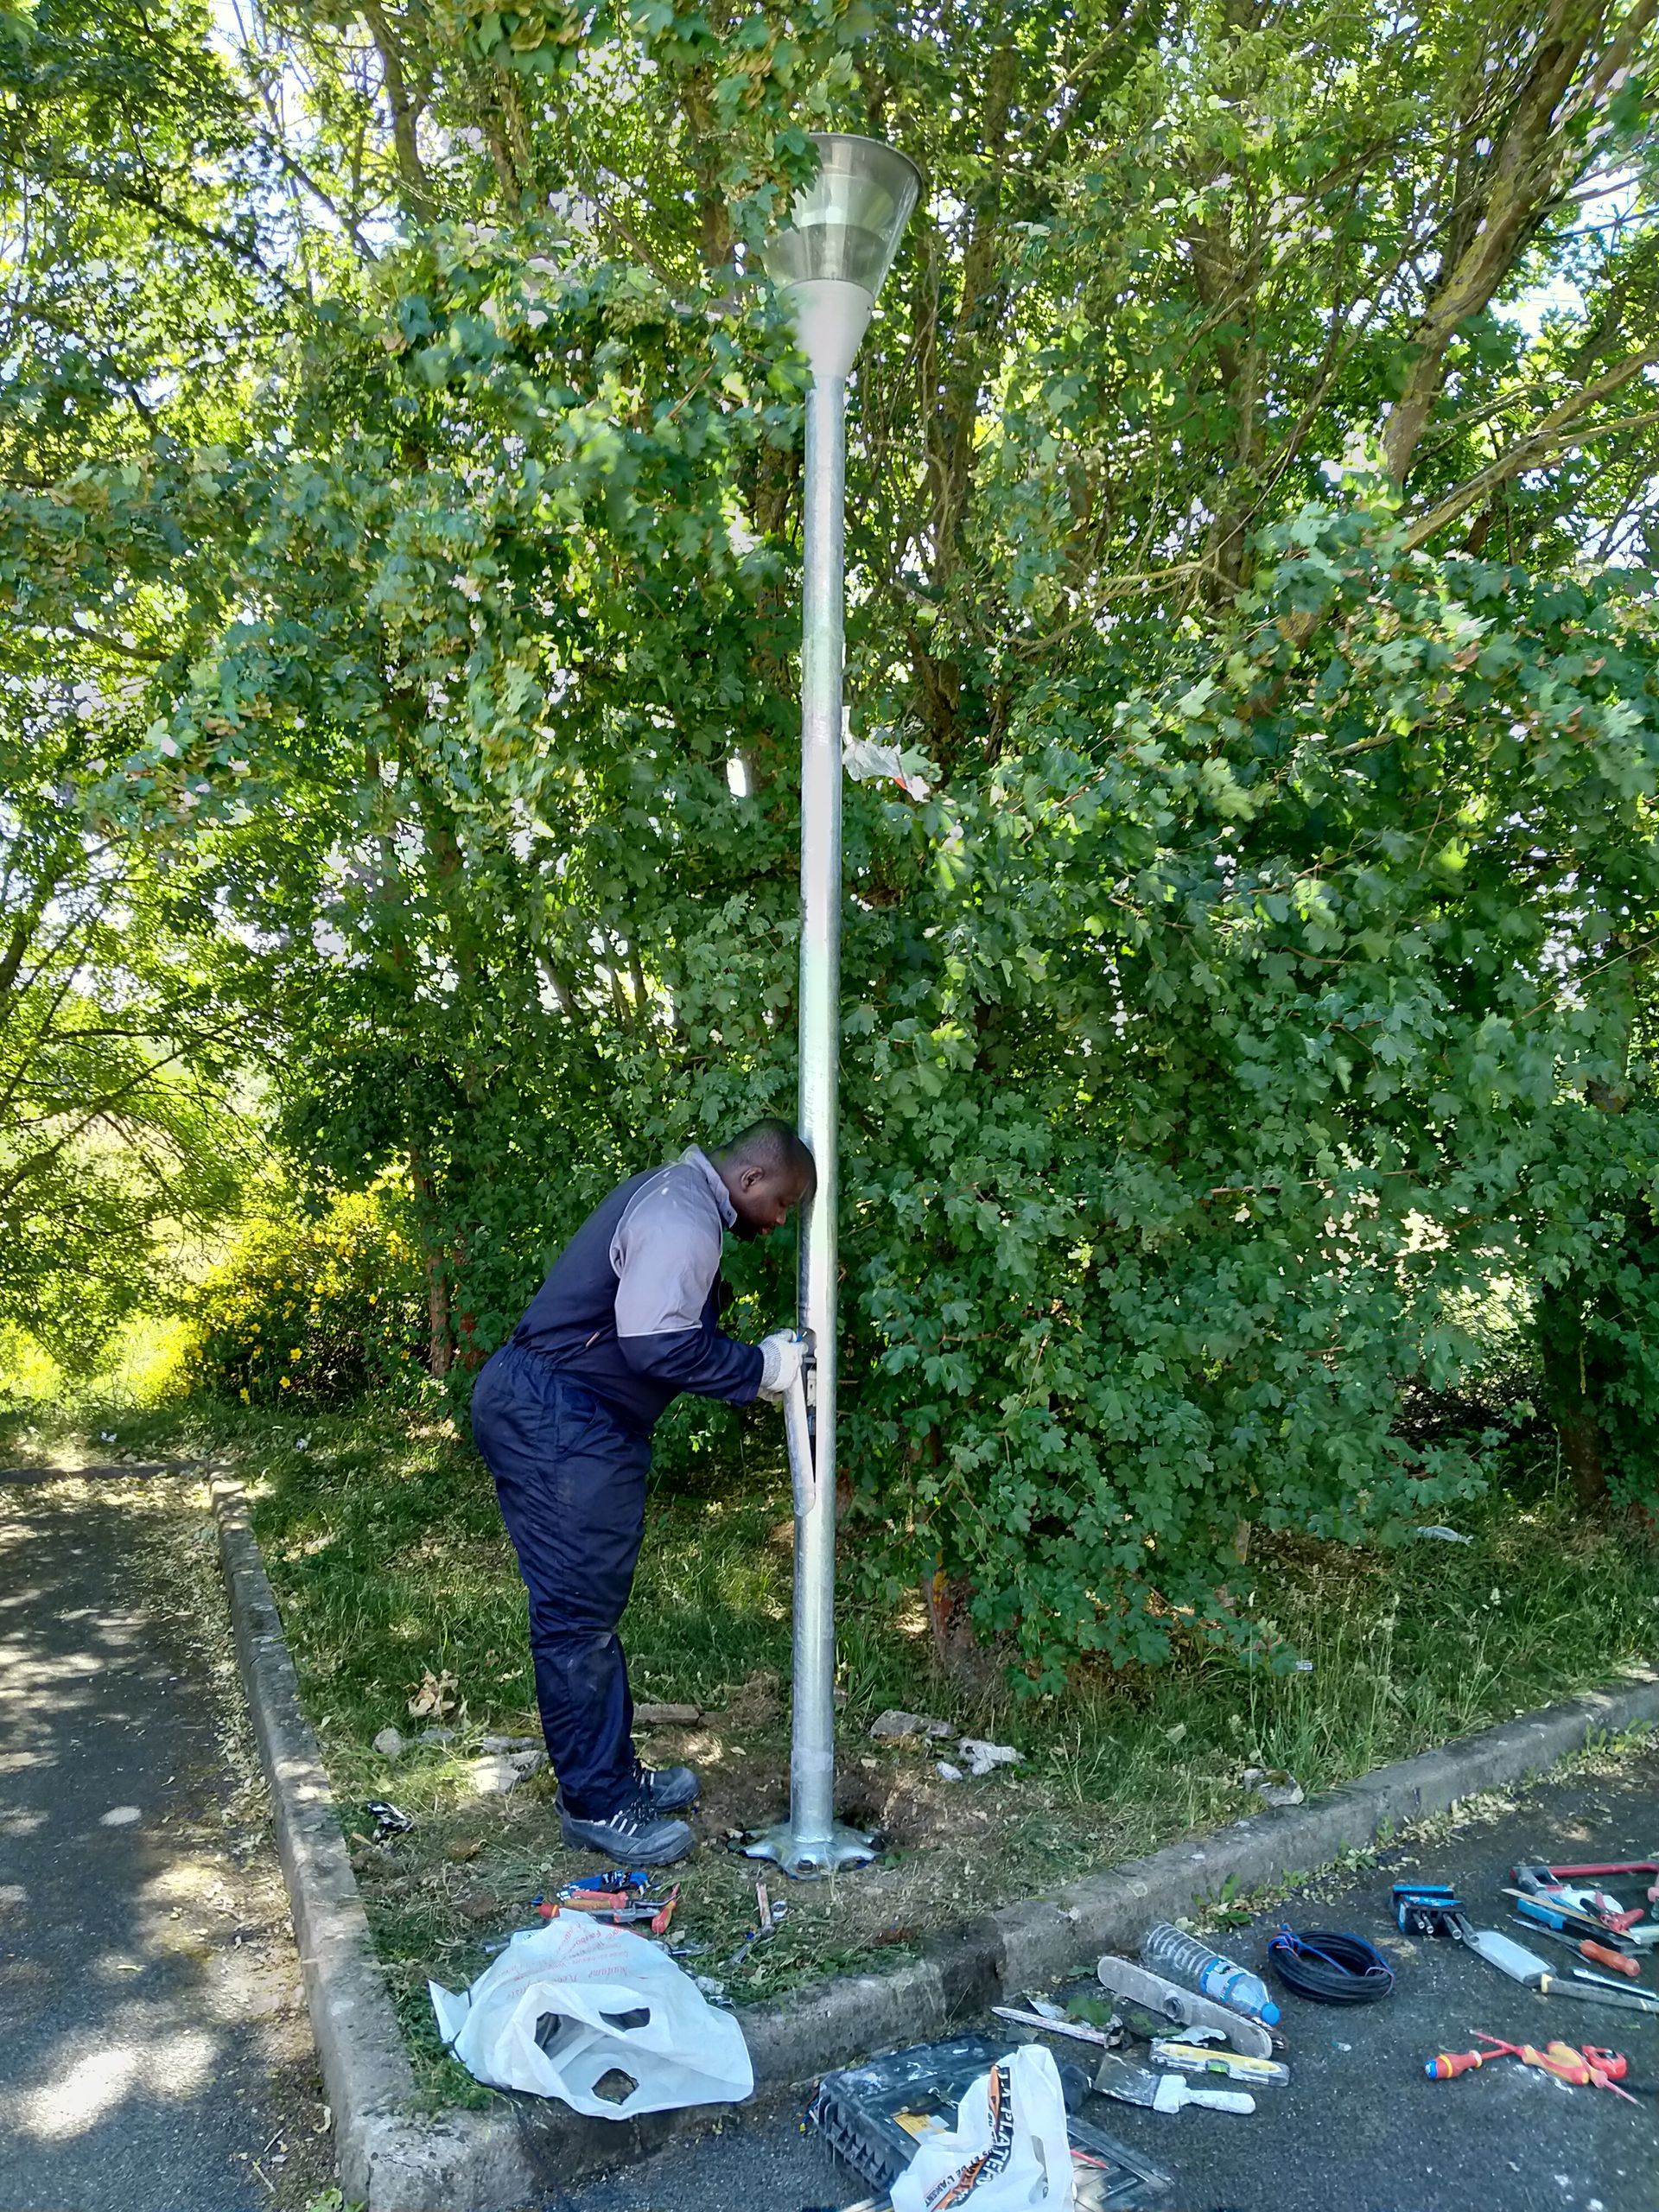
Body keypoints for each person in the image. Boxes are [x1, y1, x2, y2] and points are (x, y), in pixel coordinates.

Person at [469, 1119, 814, 1866]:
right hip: (559, 1415)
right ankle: (595, 1804)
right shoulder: (682, 1213)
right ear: (750, 1179)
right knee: (575, 1616)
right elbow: (655, 1343)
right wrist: (759, 1369)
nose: (781, 1221)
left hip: (570, 1414)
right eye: (783, 1204)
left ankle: (615, 1777)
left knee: (588, 1610)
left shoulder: (679, 1197)